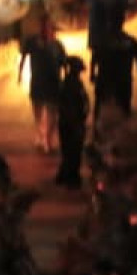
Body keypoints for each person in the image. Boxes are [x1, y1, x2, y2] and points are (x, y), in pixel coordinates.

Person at [17, 16, 66, 153]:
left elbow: (64, 63)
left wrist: (66, 81)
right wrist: (20, 74)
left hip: (53, 84)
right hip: (38, 83)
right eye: (43, 27)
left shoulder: (57, 45)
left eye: (47, 27)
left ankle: (47, 140)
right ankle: (41, 135)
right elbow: (24, 57)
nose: (45, 30)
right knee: (37, 112)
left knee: (52, 114)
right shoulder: (32, 42)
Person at [91, 28, 137, 127]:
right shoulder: (131, 41)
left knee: (101, 113)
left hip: (106, 82)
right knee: (123, 113)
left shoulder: (102, 41)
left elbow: (94, 60)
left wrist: (92, 75)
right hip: (123, 83)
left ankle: (97, 135)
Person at [55, 56, 90, 188]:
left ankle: (65, 175)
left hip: (69, 123)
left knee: (69, 151)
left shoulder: (71, 82)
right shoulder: (71, 84)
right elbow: (70, 107)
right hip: (71, 123)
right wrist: (76, 125)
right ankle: (71, 178)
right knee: (73, 152)